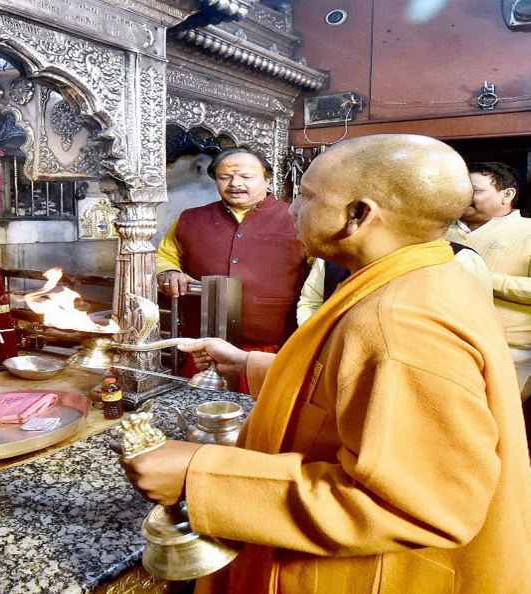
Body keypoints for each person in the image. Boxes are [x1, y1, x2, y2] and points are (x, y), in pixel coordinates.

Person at [123, 135, 531, 593]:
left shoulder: (401, 322)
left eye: (307, 197)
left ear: (358, 215)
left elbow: (420, 504)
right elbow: (357, 386)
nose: (293, 209)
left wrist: (198, 475)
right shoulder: (423, 275)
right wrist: (248, 365)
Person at [156, 148, 307, 377]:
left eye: (246, 177)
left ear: (267, 179)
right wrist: (169, 272)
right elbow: (165, 257)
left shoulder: (297, 218)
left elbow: (323, 273)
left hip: (274, 352)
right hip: (204, 351)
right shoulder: (190, 219)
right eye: (225, 177)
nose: (235, 183)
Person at [448, 162, 531, 399]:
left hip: (511, 352)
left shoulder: (528, 231)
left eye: (475, 190)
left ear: (507, 194)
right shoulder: (440, 231)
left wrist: (483, 277)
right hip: (450, 345)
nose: (464, 197)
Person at [296, 245, 493, 326]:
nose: (294, 208)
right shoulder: (332, 254)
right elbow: (311, 301)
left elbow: (477, 326)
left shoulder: (458, 259)